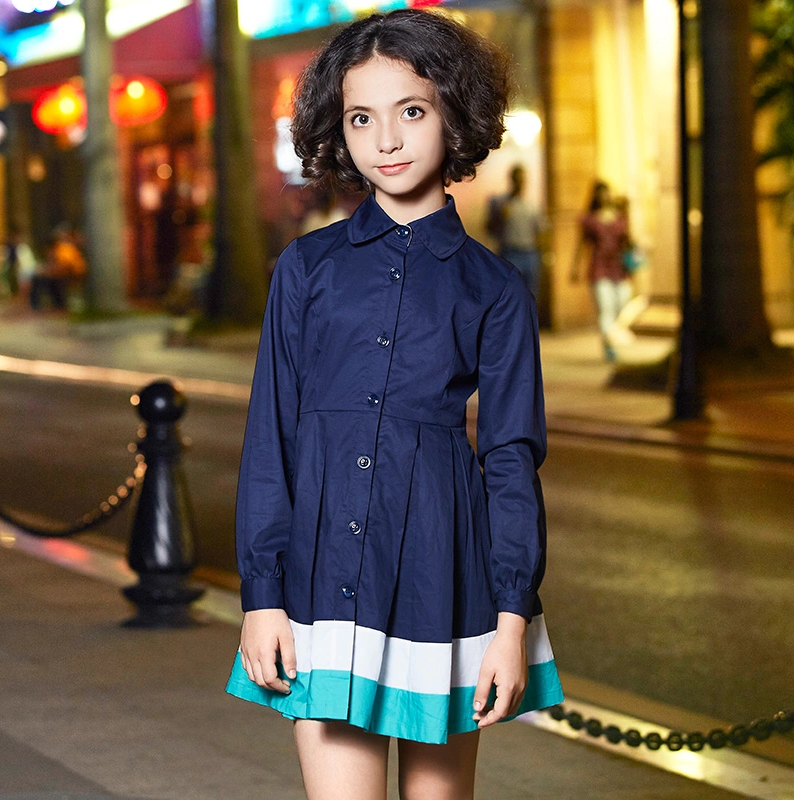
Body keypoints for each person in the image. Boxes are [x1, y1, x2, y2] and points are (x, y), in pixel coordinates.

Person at [225, 10, 563, 799]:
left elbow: (513, 459)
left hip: (445, 585)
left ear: (454, 112)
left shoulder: (495, 290)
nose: (388, 139)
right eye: (361, 118)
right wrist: (261, 596)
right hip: (319, 583)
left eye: (411, 110)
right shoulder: (305, 270)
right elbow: (268, 436)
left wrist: (511, 623)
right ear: (337, 133)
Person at [571, 180, 633, 362]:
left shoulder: (619, 216)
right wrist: (575, 268)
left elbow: (628, 240)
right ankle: (609, 345)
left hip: (618, 267)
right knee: (605, 307)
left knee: (621, 303)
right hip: (599, 267)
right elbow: (582, 244)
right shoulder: (589, 219)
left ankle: (612, 335)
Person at [485, 164, 546, 301]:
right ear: (511, 180)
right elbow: (490, 229)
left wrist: (541, 254)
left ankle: (528, 322)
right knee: (511, 295)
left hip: (530, 253)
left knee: (530, 295)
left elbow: (540, 231)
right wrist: (500, 217)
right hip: (510, 252)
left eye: (522, 179)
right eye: (517, 179)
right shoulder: (500, 203)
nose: (520, 183)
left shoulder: (531, 206)